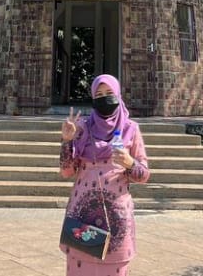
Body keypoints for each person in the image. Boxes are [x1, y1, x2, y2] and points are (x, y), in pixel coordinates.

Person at [59, 74, 150, 276]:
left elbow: (144, 175)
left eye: (109, 93)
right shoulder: (82, 127)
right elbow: (66, 171)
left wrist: (129, 163)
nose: (104, 98)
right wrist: (67, 141)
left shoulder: (131, 129)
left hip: (116, 219)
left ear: (118, 95)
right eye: (99, 94)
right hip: (82, 215)